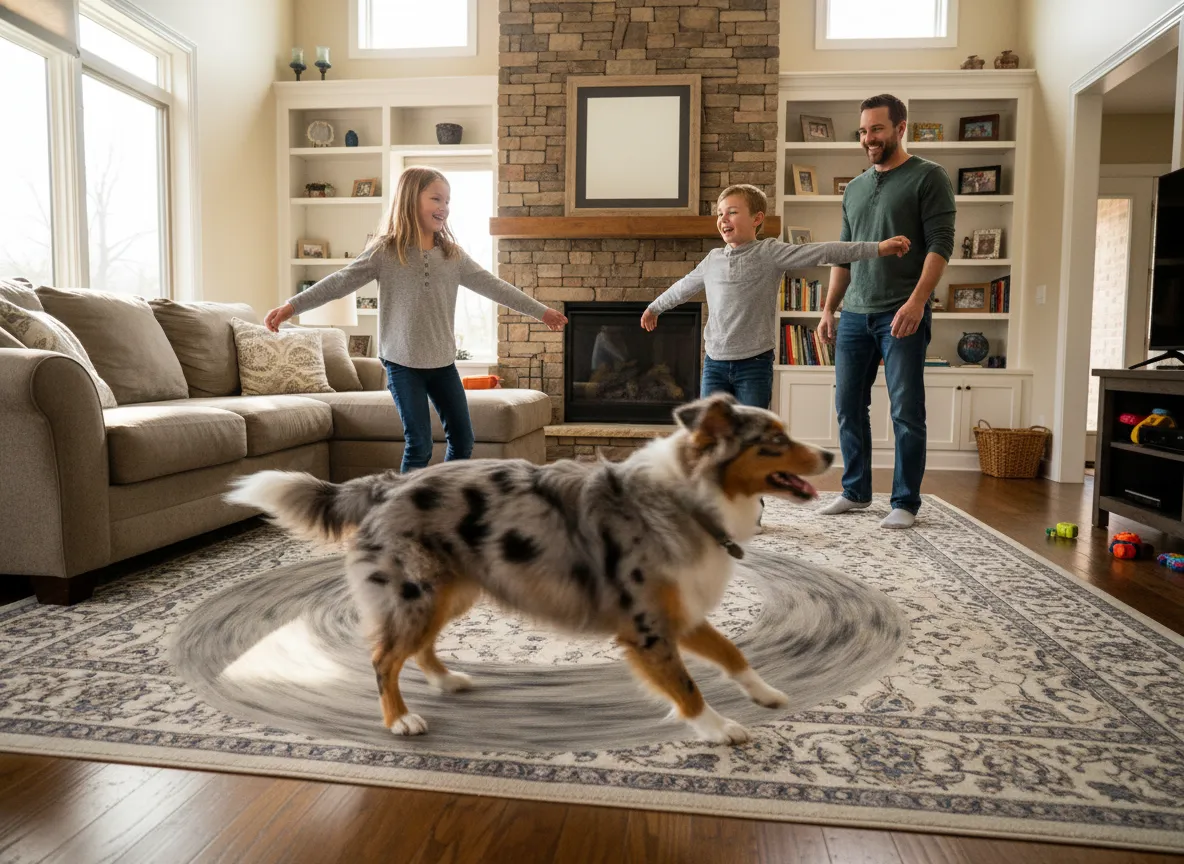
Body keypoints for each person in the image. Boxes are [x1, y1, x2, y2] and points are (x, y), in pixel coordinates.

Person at [641, 183, 911, 529]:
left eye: (732, 212)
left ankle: (751, 512)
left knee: (753, 444)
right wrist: (655, 307)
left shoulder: (769, 253)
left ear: (757, 219)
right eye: (720, 214)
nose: (724, 219)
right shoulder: (711, 261)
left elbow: (822, 252)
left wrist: (878, 248)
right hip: (715, 365)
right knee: (712, 442)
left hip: (753, 365)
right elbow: (683, 287)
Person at [264, 166, 568, 473]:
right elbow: (340, 281)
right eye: (436, 198)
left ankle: (443, 499)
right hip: (402, 363)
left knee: (463, 440)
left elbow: (495, 287)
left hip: (442, 364)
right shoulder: (385, 252)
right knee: (419, 444)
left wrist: (541, 311)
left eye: (447, 201)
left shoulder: (453, 256)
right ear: (411, 199)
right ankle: (406, 512)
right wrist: (292, 306)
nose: (444, 208)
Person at [817, 94, 956, 529]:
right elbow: (845, 255)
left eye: (876, 129)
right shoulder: (856, 187)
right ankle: (856, 492)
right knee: (847, 405)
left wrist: (917, 302)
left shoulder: (929, 177)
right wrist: (828, 310)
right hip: (855, 315)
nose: (868, 138)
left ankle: (905, 502)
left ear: (900, 128)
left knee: (906, 409)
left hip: (901, 312)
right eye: (862, 131)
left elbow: (940, 244)